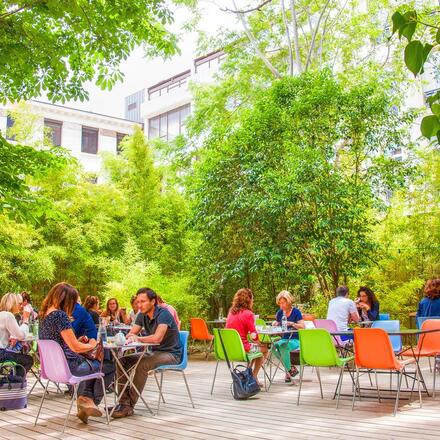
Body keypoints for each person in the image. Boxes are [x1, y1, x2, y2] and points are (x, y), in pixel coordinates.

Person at [39, 282, 115, 424]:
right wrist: (92, 344)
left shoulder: (44, 315)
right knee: (108, 366)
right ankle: (89, 401)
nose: (74, 307)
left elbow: (62, 343)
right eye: (73, 302)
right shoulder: (60, 316)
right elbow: (75, 347)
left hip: (53, 369)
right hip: (69, 367)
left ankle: (84, 400)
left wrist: (79, 340)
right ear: (66, 300)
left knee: (94, 365)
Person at [111, 287, 182, 418]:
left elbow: (157, 338)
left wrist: (137, 338)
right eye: (138, 302)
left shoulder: (164, 314)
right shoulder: (141, 315)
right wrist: (131, 336)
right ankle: (123, 402)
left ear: (153, 301)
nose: (139, 305)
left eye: (142, 301)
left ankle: (128, 406)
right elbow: (132, 333)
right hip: (154, 353)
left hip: (172, 354)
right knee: (122, 360)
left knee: (142, 364)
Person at [226, 288, 266, 380]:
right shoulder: (248, 314)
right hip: (243, 349)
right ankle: (253, 377)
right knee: (264, 349)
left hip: (229, 349)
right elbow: (253, 336)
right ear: (249, 300)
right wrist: (259, 343)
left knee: (254, 349)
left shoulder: (231, 312)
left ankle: (247, 373)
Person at [272, 290, 305, 382]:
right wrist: (275, 324)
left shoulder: (296, 312)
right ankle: (290, 368)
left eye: (283, 303)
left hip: (296, 340)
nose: (281, 305)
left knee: (283, 346)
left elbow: (303, 327)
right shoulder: (279, 313)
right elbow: (279, 326)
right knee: (273, 347)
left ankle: (287, 372)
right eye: (280, 303)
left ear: (289, 301)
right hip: (285, 339)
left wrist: (293, 324)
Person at [0, 293, 33, 376]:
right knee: (28, 359)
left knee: (18, 356)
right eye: (19, 304)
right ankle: (13, 381)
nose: (21, 306)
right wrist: (25, 320)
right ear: (13, 304)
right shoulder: (8, 315)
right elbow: (20, 336)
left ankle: (11, 380)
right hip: (1, 354)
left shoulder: (2, 314)